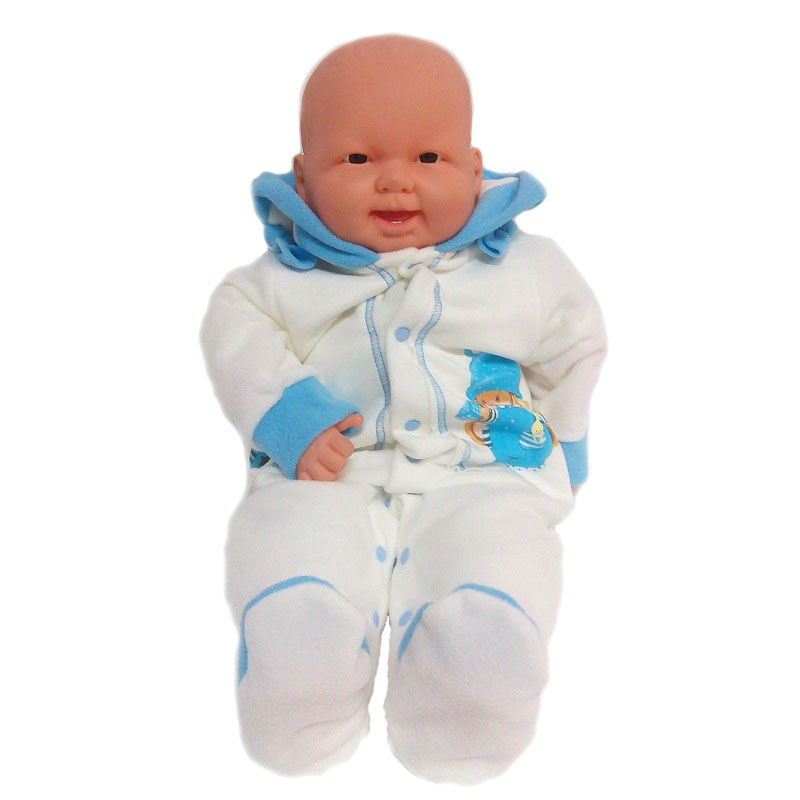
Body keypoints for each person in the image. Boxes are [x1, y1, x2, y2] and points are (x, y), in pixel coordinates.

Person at [200, 34, 607, 784]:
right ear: (304, 178)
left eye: (428, 158)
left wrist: (567, 441)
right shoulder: (281, 279)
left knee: (495, 556)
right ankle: (302, 671)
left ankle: (470, 684)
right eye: (358, 159)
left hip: (482, 471)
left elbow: (574, 345)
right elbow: (236, 331)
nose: (394, 182)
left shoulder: (529, 270)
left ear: (475, 170)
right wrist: (291, 417)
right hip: (329, 473)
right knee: (296, 547)